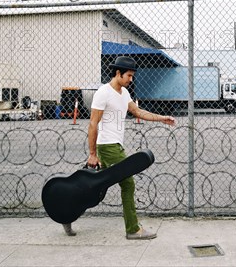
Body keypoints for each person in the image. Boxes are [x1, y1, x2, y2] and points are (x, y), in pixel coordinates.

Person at [62, 56, 175, 238]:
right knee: (128, 184)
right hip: (107, 147)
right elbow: (93, 124)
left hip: (116, 146)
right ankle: (133, 229)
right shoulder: (103, 92)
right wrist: (92, 153)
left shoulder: (124, 94)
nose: (131, 79)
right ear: (118, 73)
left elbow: (138, 112)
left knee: (96, 189)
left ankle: (66, 213)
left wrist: (162, 118)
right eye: (129, 75)